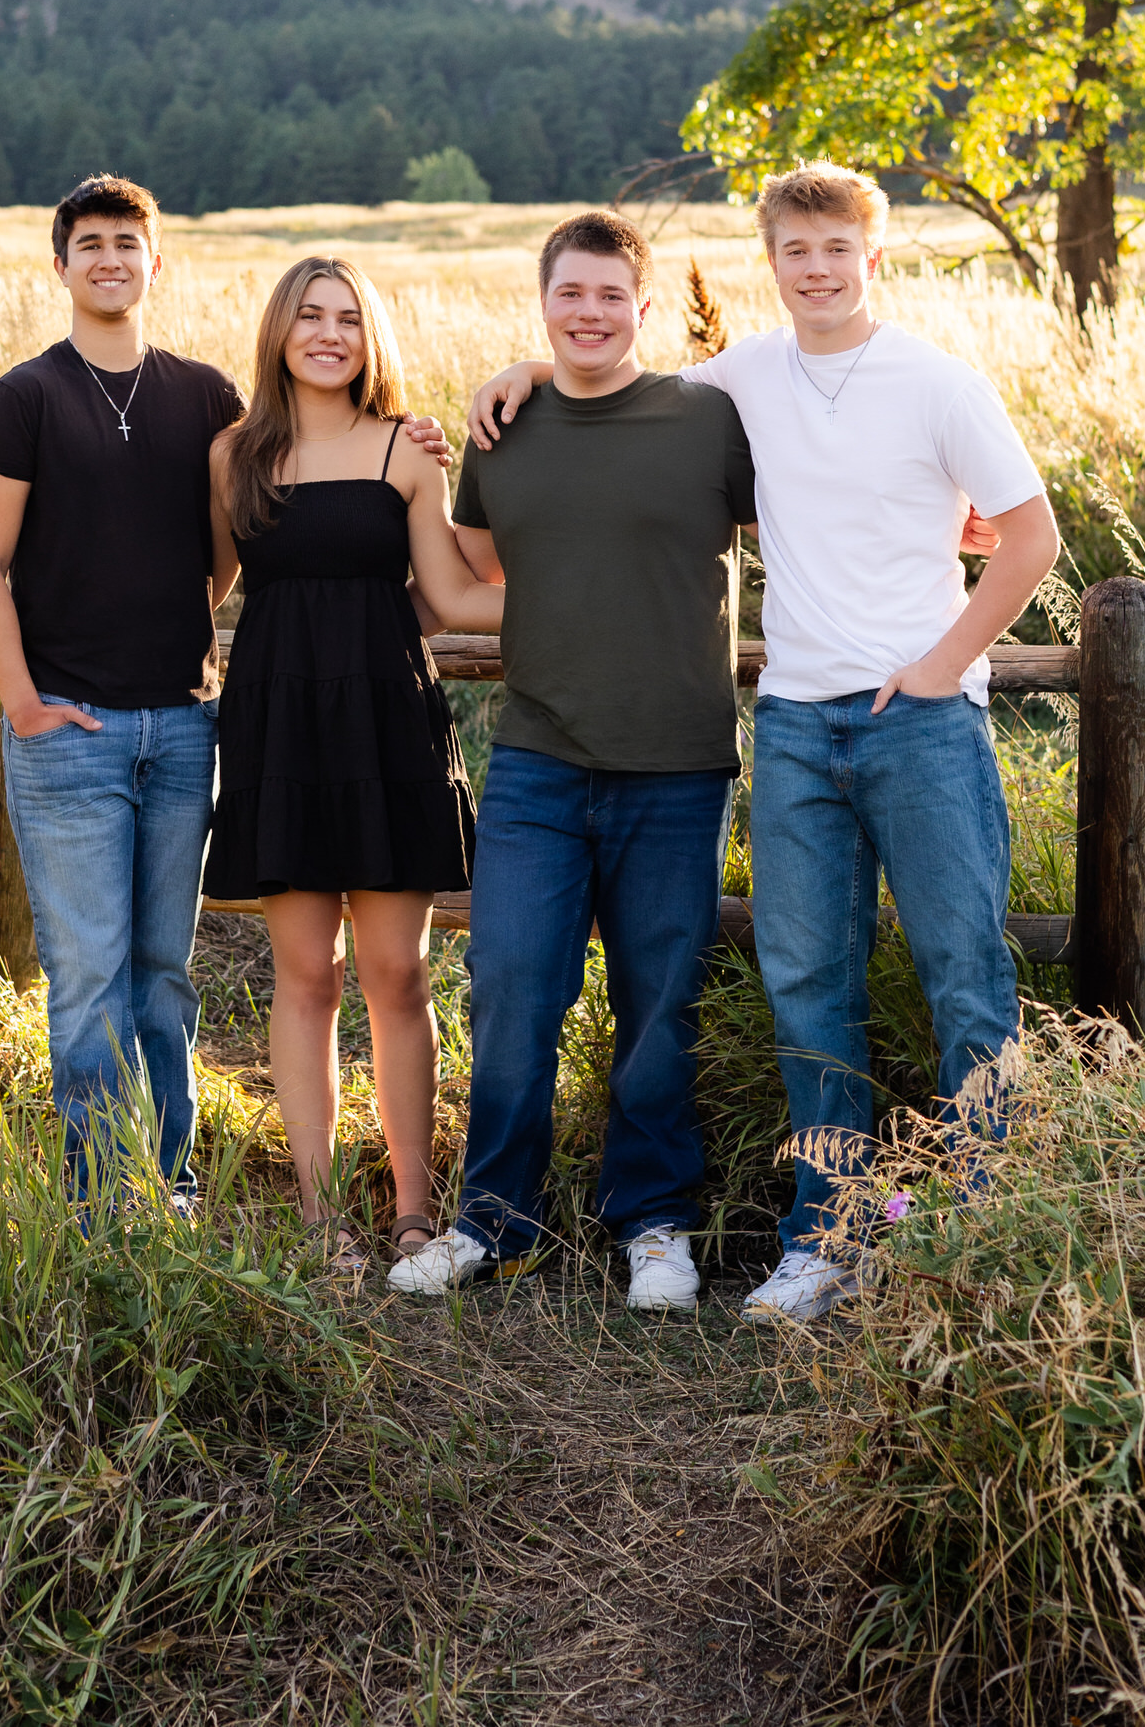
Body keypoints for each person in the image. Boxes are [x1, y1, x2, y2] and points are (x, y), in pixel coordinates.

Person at [468, 164, 1057, 1324]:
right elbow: (614, 371)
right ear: (771, 261)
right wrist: (529, 368)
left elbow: (1030, 540)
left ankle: (992, 1224)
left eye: (837, 249)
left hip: (924, 724)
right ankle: (826, 1233)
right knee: (806, 986)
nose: (817, 270)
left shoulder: (935, 380)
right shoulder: (739, 380)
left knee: (963, 975)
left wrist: (940, 666)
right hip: (792, 723)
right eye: (795, 250)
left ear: (869, 258)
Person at [0, 178, 452, 1212]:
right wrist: (24, 700)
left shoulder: (240, 410)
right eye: (88, 244)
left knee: (180, 975)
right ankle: (114, 1196)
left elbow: (346, 566)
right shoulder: (63, 408)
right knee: (108, 977)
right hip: (126, 727)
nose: (109, 259)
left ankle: (190, 1182)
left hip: (235, 725)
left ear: (155, 261)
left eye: (127, 244)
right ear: (61, 266)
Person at [389, 211, 759, 1314]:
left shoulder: (710, 420)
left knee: (659, 1005)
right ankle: (494, 1221)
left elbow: (818, 509)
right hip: (539, 760)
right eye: (570, 294)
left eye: (611, 296)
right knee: (510, 990)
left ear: (643, 309)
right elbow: (487, 578)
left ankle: (654, 1225)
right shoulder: (505, 430)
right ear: (541, 300)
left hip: (676, 764)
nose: (589, 313)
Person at [202, 256, 504, 1271]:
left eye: (347, 319)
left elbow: (458, 601)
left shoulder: (405, 451)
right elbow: (198, 593)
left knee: (396, 974)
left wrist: (605, 593)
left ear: (369, 337)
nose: (328, 334)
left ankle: (414, 1207)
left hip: (387, 729)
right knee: (304, 978)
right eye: (309, 317)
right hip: (277, 735)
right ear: (279, 331)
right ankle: (320, 1211)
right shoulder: (234, 456)